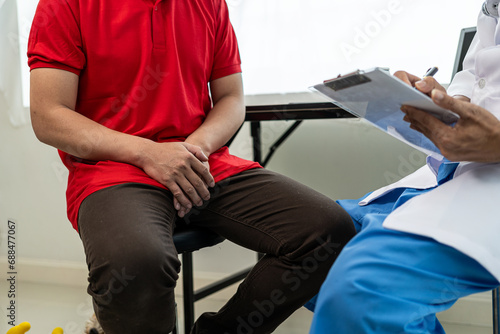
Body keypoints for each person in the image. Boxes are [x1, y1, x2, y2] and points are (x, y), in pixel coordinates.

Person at [27, 0, 356, 333]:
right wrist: (148, 153)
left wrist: (191, 151)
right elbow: (48, 116)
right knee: (137, 262)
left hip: (203, 162)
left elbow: (230, 97)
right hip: (115, 169)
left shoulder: (211, 4)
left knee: (327, 230)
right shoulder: (65, 4)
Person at [308, 5, 500, 334]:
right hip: (459, 170)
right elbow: (480, 77)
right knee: (310, 242)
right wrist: (442, 103)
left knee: (362, 295)